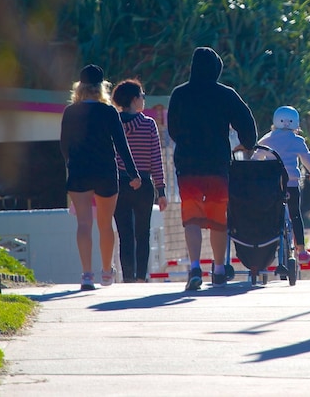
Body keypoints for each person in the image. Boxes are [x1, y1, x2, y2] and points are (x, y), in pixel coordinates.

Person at [168, 47, 257, 290]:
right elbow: (247, 123)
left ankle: (195, 267)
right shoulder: (226, 94)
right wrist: (248, 144)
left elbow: (173, 130)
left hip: (188, 166)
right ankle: (218, 270)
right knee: (218, 219)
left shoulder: (179, 94)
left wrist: (187, 143)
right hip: (217, 165)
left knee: (192, 218)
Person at [60, 64, 141, 291]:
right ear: (101, 88)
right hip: (105, 172)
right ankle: (107, 272)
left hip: (79, 173)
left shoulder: (70, 112)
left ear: (80, 87)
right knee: (106, 224)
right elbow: (122, 146)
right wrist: (134, 174)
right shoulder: (109, 112)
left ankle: (87, 275)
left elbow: (64, 145)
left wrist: (71, 164)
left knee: (84, 223)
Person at [111, 79, 168, 283]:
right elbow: (156, 160)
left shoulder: (112, 123)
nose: (144, 99)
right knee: (143, 234)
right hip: (144, 184)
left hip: (119, 185)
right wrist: (161, 191)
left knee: (125, 235)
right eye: (142, 95)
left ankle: (127, 277)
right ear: (135, 99)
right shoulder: (148, 124)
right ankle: (140, 278)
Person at [253, 106, 310, 265]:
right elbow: (308, 159)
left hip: (271, 187)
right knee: (295, 215)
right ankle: (302, 251)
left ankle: (265, 246)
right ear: (296, 123)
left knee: (269, 214)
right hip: (291, 185)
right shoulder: (297, 141)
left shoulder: (266, 139)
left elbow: (256, 158)